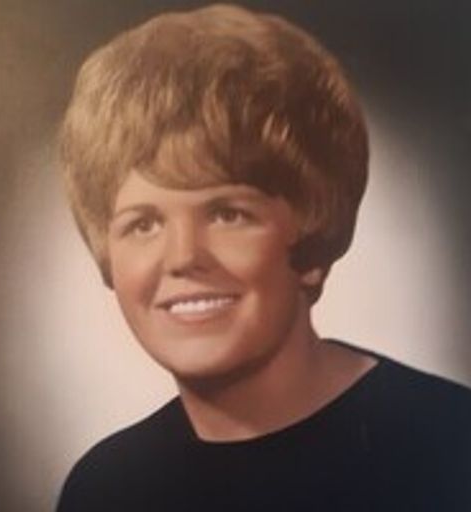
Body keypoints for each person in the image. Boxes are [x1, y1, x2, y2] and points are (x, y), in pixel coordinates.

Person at [56, 4, 471, 511]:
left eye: (227, 214)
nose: (183, 256)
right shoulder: (106, 489)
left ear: (312, 232)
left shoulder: (450, 443)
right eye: (143, 224)